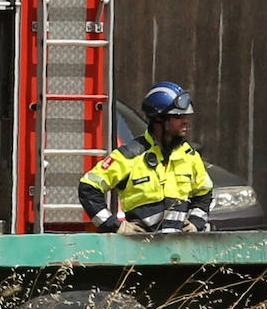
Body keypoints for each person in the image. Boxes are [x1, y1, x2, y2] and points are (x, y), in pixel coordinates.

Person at [78, 81, 214, 234]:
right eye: (178, 116)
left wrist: (196, 222)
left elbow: (204, 193)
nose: (185, 121)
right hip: (140, 252)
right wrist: (114, 226)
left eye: (186, 116)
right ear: (158, 119)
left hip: (179, 253)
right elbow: (88, 187)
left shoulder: (189, 156)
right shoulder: (130, 155)